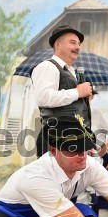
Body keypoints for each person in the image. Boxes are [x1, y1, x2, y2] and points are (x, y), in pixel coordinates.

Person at [31, 24, 94, 157]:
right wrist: (77, 92)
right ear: (58, 45)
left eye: (79, 44)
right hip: (56, 139)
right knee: (54, 178)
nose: (77, 47)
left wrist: (82, 100)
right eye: (72, 42)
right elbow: (43, 98)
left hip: (73, 140)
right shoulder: (47, 67)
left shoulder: (71, 72)